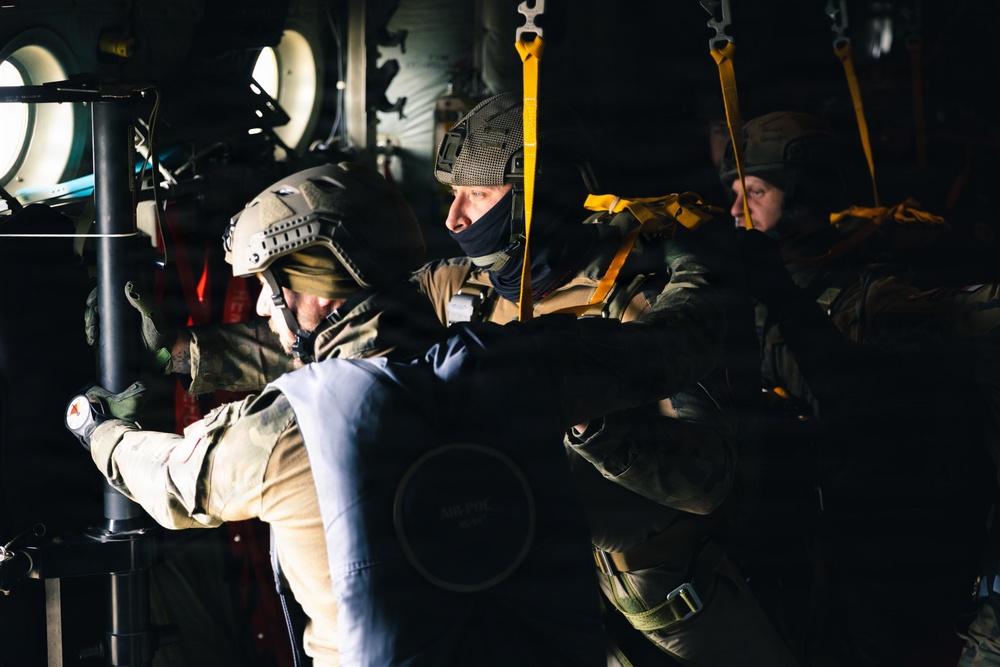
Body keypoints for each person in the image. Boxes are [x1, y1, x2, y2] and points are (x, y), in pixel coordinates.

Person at [70, 160, 737, 667]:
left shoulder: (281, 432)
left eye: (273, 290)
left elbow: (165, 480)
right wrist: (689, 255)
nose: (266, 309)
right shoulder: (526, 363)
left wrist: (95, 427)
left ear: (319, 294)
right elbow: (683, 340)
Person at [413, 91, 797, 666]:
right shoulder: (460, 290)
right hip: (530, 601)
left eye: (480, 194)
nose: (455, 218)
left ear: (534, 196)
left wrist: (593, 423)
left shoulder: (635, 295)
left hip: (661, 609)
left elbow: (707, 480)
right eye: (452, 194)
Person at [722, 111, 989, 666]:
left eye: (753, 190)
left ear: (800, 195)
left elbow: (855, 398)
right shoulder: (756, 290)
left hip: (883, 540)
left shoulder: (869, 297)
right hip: (801, 529)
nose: (735, 209)